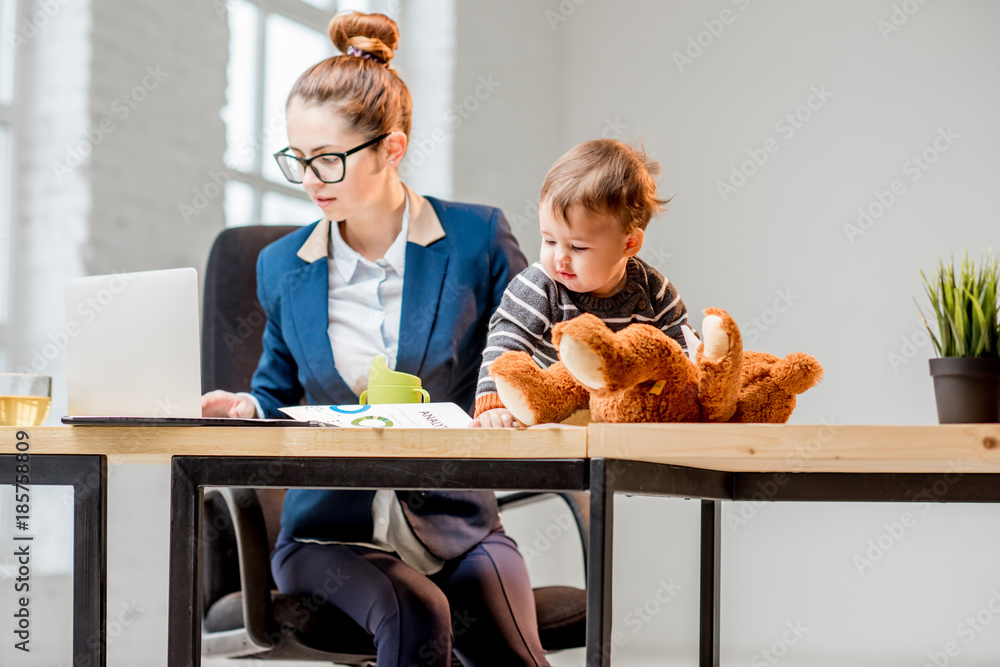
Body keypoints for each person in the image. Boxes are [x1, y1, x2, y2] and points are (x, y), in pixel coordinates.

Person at [201, 11, 550, 666]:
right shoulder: (282, 266)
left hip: (459, 522)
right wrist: (246, 408)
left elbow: (531, 345)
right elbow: (275, 392)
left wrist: (505, 402)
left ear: (392, 148)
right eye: (297, 160)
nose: (309, 180)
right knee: (419, 611)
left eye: (328, 160)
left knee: (515, 653)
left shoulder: (477, 240)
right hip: (327, 536)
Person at [472, 139, 689, 428]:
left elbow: (682, 353)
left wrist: (691, 397)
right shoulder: (540, 286)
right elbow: (506, 344)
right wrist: (493, 404)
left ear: (630, 243)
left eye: (578, 248)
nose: (559, 257)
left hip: (623, 423)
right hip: (551, 423)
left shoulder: (654, 291)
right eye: (549, 240)